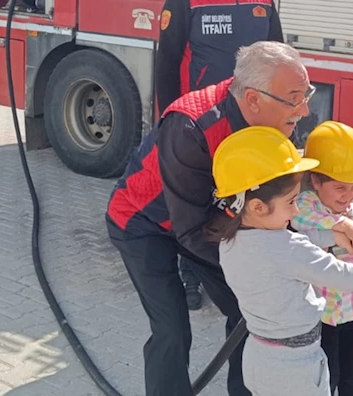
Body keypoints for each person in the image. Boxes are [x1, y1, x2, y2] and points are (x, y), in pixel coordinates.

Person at [106, 42, 340, 396]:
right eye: (295, 98)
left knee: (250, 313)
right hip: (144, 223)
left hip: (212, 220)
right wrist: (259, 265)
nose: (305, 110)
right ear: (253, 99)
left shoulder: (276, 124)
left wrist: (335, 228)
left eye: (305, 94)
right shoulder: (191, 127)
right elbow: (189, 229)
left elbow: (276, 203)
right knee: (172, 329)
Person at [208, 125, 353, 396]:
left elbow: (285, 252)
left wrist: (331, 236)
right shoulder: (289, 247)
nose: (295, 211)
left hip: (258, 356)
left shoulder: (230, 242)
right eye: (291, 202)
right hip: (296, 367)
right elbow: (333, 272)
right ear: (258, 207)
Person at [153, 0, 284, 310]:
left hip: (250, 122)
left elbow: (278, 57)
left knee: (244, 195)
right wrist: (168, 125)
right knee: (197, 199)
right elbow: (167, 62)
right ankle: (190, 272)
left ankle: (241, 264)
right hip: (202, 124)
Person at [290, 121, 353, 396]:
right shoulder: (305, 204)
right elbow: (300, 217)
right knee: (327, 379)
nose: (349, 195)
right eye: (340, 187)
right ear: (316, 180)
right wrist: (343, 225)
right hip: (322, 316)